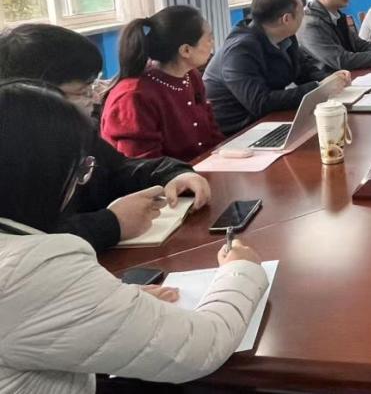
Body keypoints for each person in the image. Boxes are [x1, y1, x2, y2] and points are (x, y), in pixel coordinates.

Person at [0, 81, 269, 392]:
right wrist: (242, 269)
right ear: (41, 176)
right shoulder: (32, 270)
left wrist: (102, 302)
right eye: (79, 171)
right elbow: (201, 347)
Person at [0, 24, 210, 252]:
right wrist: (111, 224)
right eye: (83, 91)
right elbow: (25, 240)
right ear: (33, 95)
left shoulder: (76, 133)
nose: (95, 99)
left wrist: (173, 174)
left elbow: (118, 169)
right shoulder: (12, 157)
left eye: (93, 86)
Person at [204, 0, 351, 136]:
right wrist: (319, 88)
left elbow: (304, 70)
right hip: (238, 132)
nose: (305, 14)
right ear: (286, 19)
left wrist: (332, 79)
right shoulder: (240, 50)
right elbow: (260, 103)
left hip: (268, 121)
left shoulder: (286, 35)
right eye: (301, 12)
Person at [100, 6, 224, 161]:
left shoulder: (191, 76)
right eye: (209, 38)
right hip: (168, 175)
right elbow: (144, 164)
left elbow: (211, 133)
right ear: (186, 50)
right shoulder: (134, 96)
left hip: (200, 168)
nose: (213, 43)